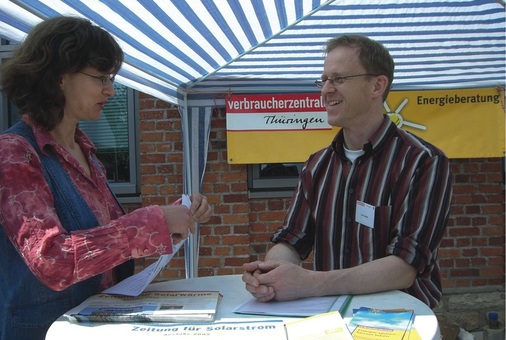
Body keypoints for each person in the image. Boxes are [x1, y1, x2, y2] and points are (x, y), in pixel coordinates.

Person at [0, 16, 212, 339]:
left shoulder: (85, 153)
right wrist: (152, 222)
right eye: (101, 77)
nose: (111, 90)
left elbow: (108, 245)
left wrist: (175, 217)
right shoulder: (15, 153)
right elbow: (51, 259)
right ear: (59, 77)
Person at [242, 34, 453, 309]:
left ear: (377, 85)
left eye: (338, 79)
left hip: (398, 321)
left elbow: (405, 267)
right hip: (330, 320)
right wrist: (271, 273)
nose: (326, 90)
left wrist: (310, 282)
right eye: (324, 80)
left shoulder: (423, 161)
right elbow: (293, 239)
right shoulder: (317, 166)